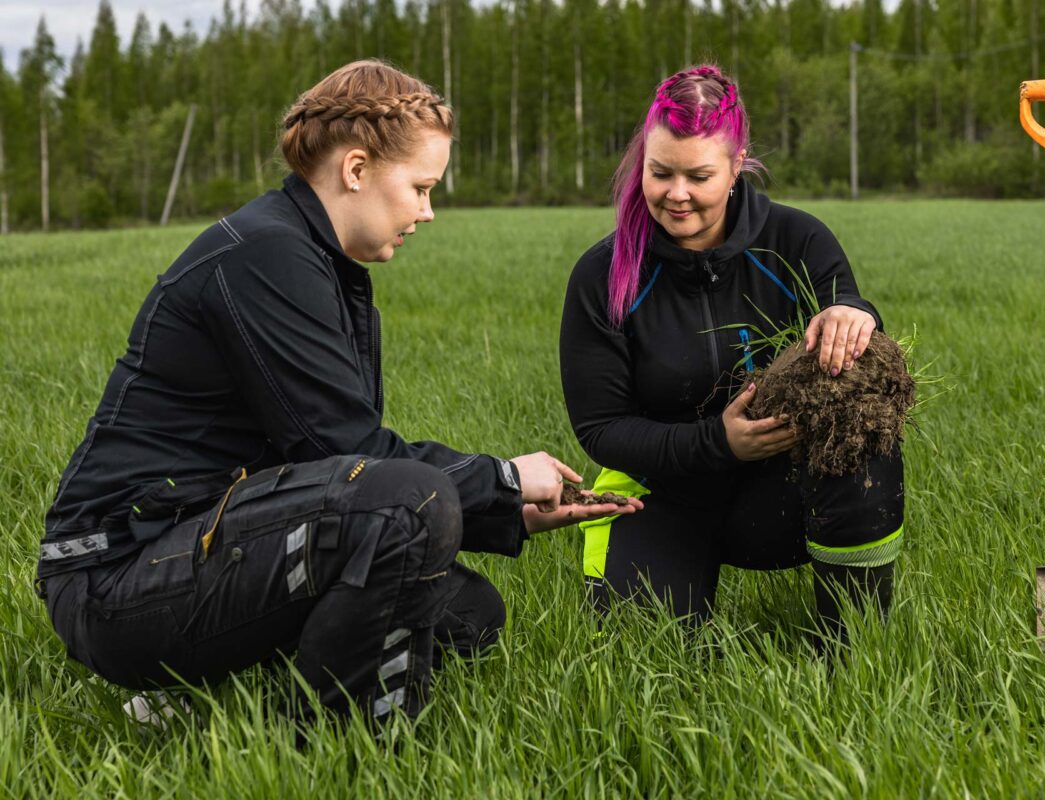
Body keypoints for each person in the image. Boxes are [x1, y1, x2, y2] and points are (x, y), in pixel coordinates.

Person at [36, 59, 640, 725]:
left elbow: (332, 468)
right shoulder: (266, 256)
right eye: (419, 187)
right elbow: (351, 452)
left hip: (195, 545)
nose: (428, 211)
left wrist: (503, 508)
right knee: (411, 505)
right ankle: (338, 743)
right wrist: (499, 480)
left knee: (468, 616)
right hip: (115, 579)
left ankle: (221, 702)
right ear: (356, 170)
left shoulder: (311, 257)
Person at [559, 65, 903, 648]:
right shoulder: (602, 275)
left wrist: (856, 312)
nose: (677, 194)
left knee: (863, 429)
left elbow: (848, 323)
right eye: (660, 172)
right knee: (643, 654)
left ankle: (853, 640)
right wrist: (719, 442)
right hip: (662, 490)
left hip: (784, 491)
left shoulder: (797, 240)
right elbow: (601, 428)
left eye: (699, 175)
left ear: (737, 162)